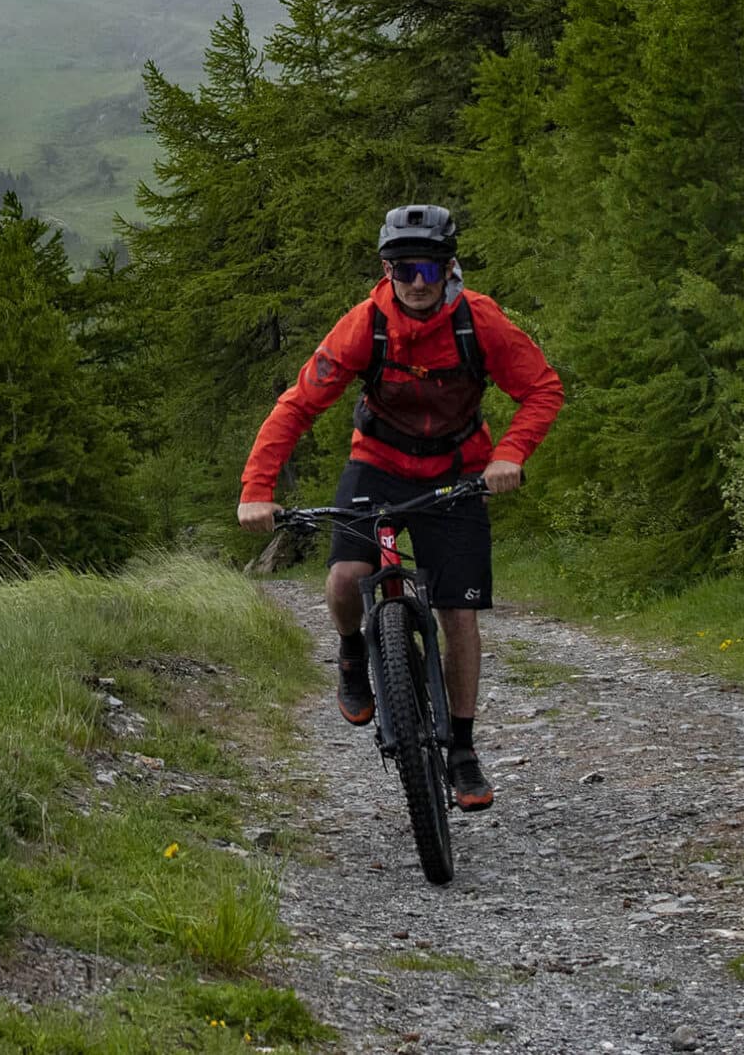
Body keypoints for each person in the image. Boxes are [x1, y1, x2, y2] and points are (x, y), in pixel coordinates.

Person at [236, 203, 564, 810]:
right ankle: (354, 651)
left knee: (457, 614)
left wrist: (510, 454)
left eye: (431, 267)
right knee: (343, 578)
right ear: (387, 270)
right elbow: (297, 406)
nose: (418, 281)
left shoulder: (480, 322)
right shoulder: (365, 325)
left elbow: (542, 388)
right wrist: (257, 490)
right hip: (379, 464)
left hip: (459, 470)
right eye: (405, 267)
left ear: (449, 267)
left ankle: (462, 748)